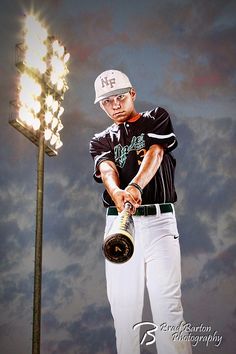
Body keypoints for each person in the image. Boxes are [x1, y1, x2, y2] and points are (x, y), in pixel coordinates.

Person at [89, 69, 192, 354]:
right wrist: (117, 193)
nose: (115, 105)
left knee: (168, 308)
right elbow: (106, 169)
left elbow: (156, 153)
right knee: (124, 315)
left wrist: (134, 187)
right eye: (107, 102)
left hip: (159, 221)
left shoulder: (155, 117)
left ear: (132, 93)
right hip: (121, 224)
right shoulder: (100, 139)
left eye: (119, 97)